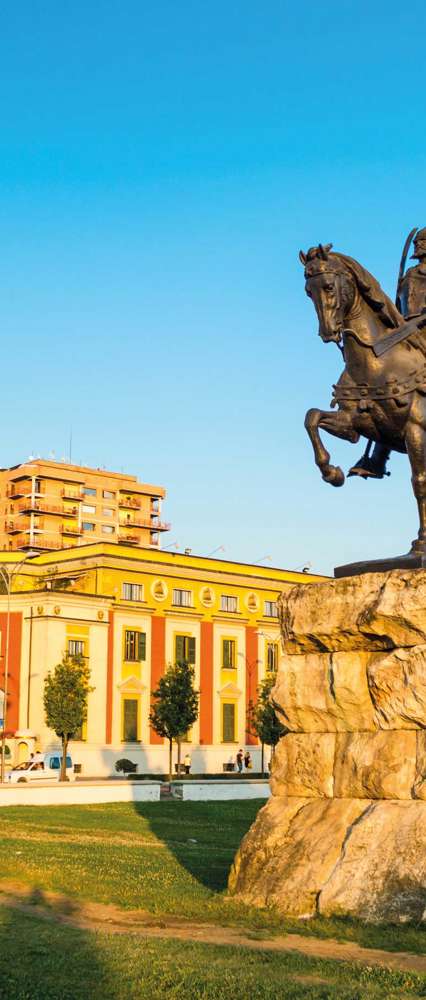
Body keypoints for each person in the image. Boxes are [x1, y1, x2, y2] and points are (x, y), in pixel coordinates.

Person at [349, 226, 426, 481]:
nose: (419, 245)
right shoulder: (410, 276)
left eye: (423, 242)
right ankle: (377, 458)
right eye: (418, 242)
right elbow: (402, 306)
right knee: (386, 380)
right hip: (404, 331)